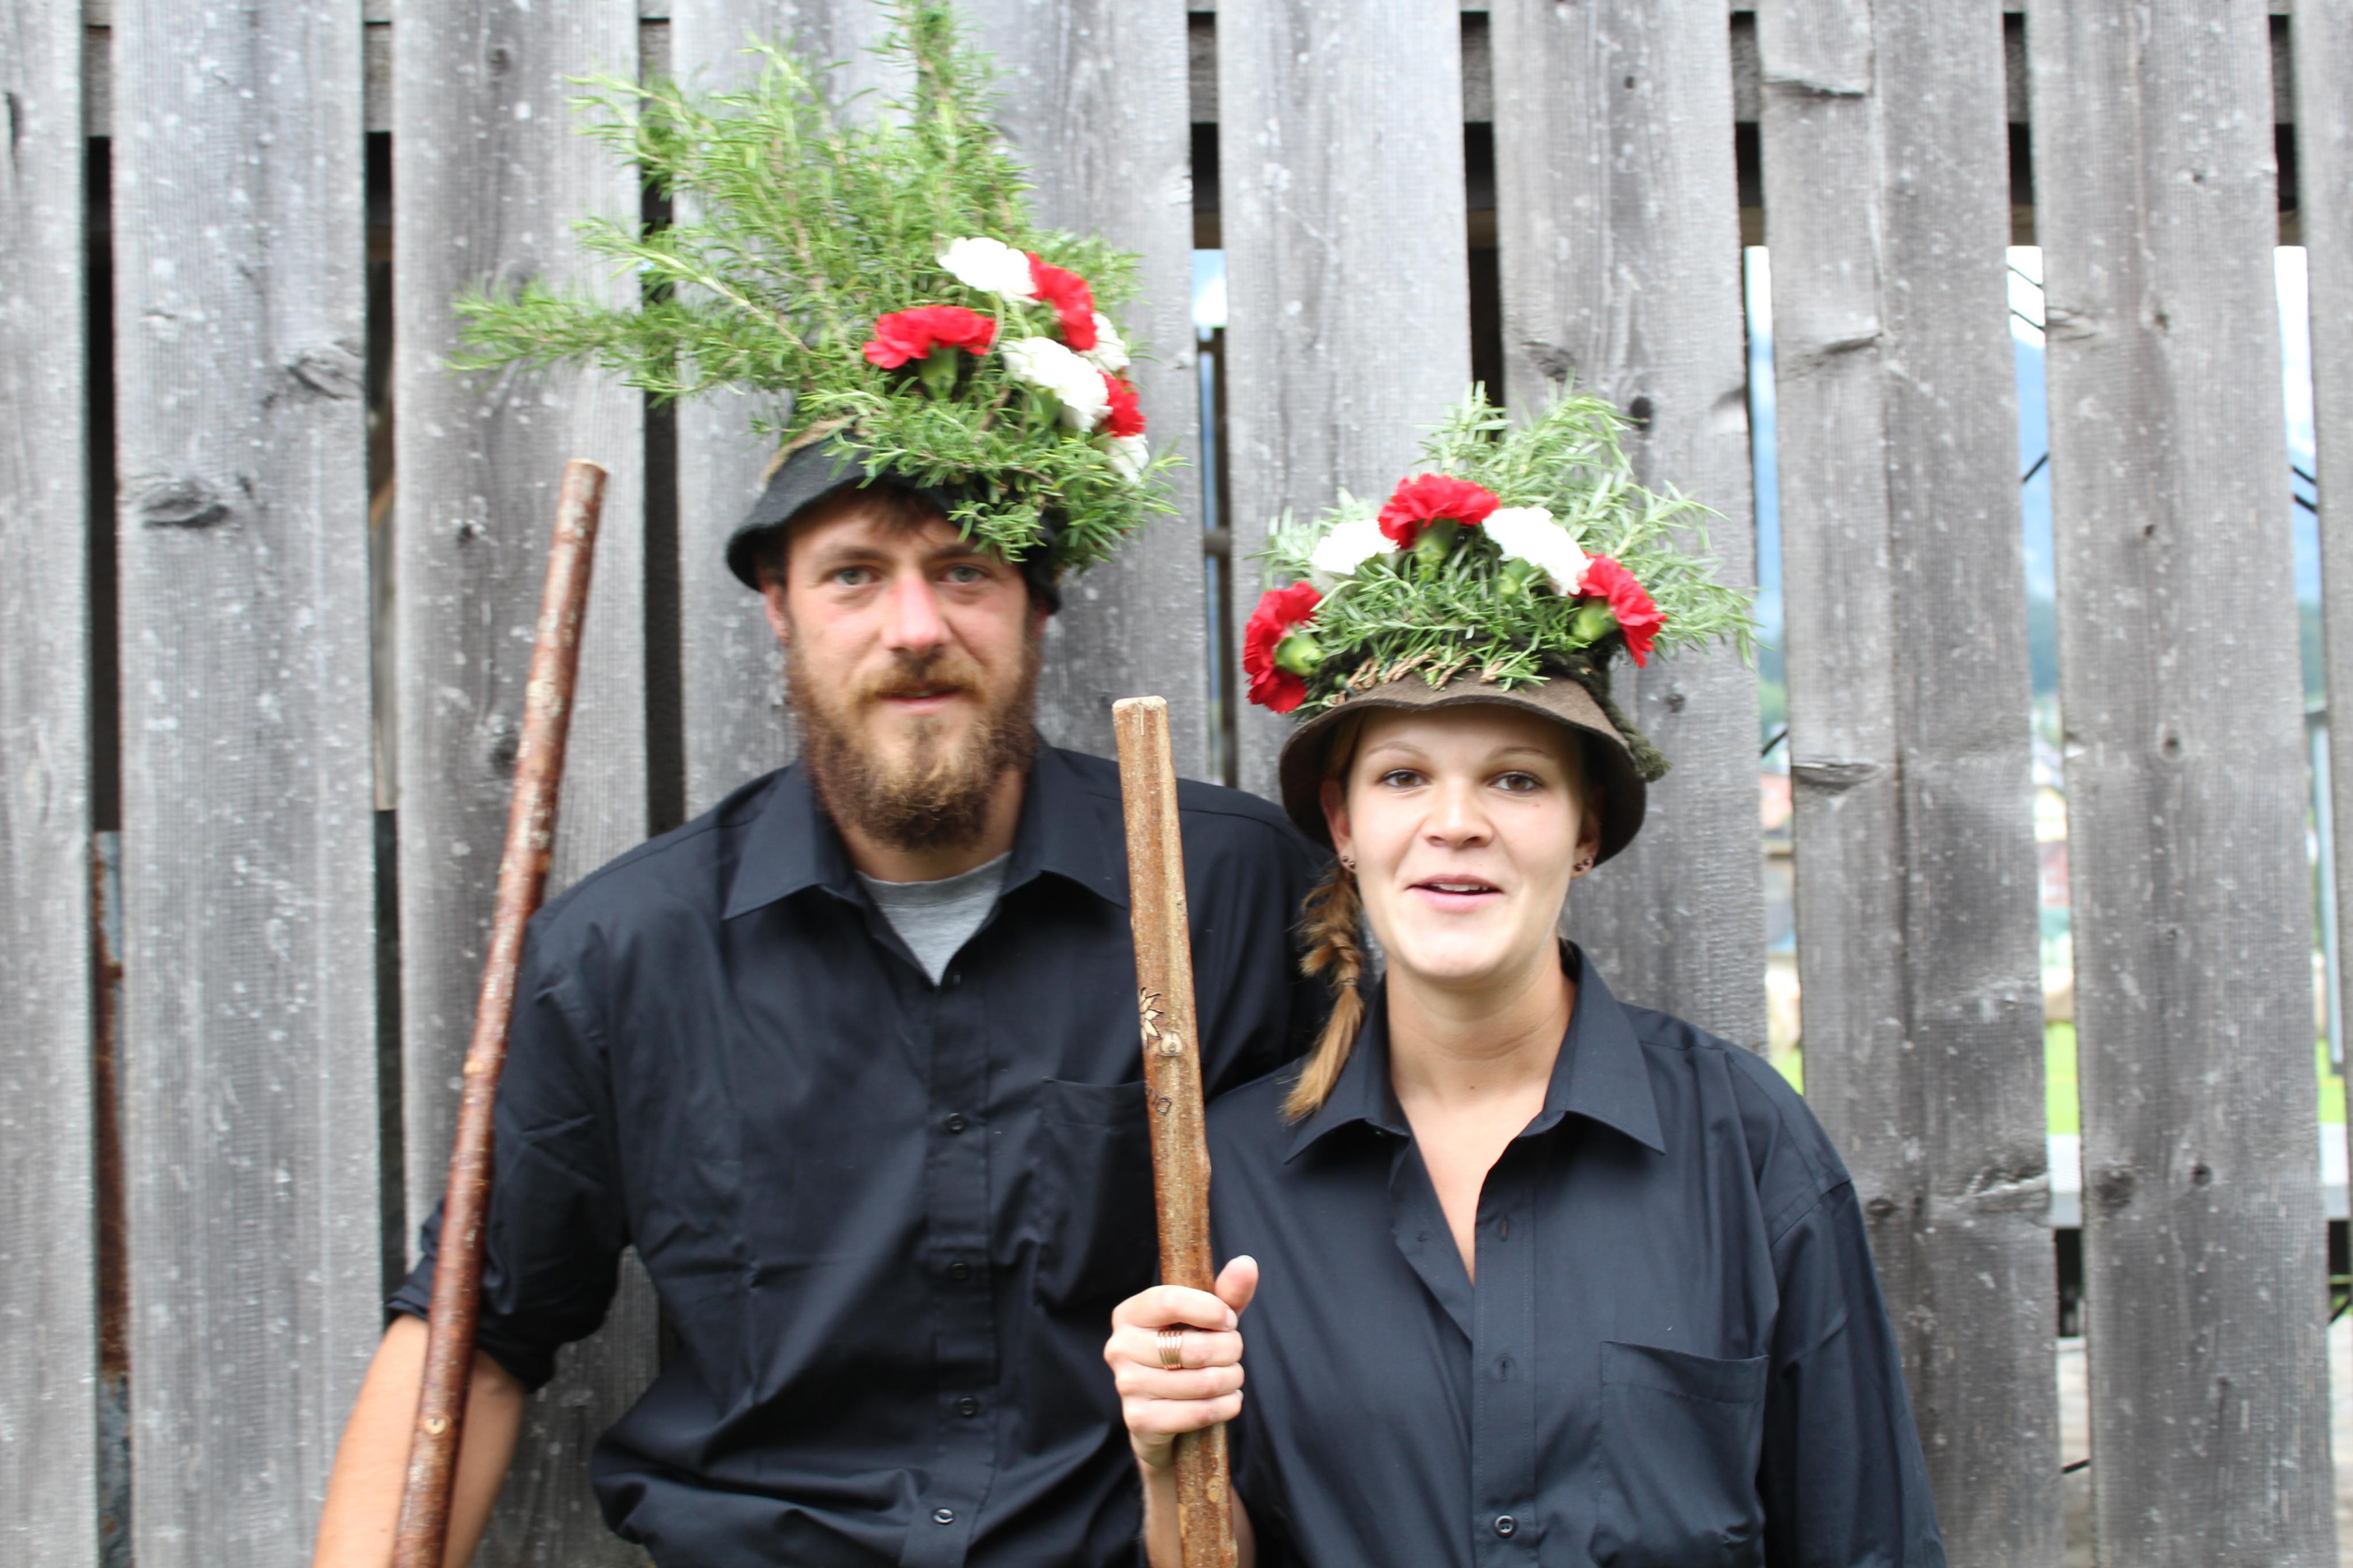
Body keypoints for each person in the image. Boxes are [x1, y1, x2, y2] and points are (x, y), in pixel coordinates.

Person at [315, 15, 1319, 1566]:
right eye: (854, 573)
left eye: (963, 569)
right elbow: (475, 1339)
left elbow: (1399, 1243)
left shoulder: (1230, 893)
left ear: (1037, 606)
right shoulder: (628, 955)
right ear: (777, 608)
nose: (914, 626)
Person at [1105, 392, 1946, 1567]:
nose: (1455, 823)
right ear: (1343, 825)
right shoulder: (1229, 1176)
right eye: (1404, 777)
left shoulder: (1744, 1147)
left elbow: (1865, 1540)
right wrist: (1166, 1465)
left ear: (1585, 829)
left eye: (1514, 779)